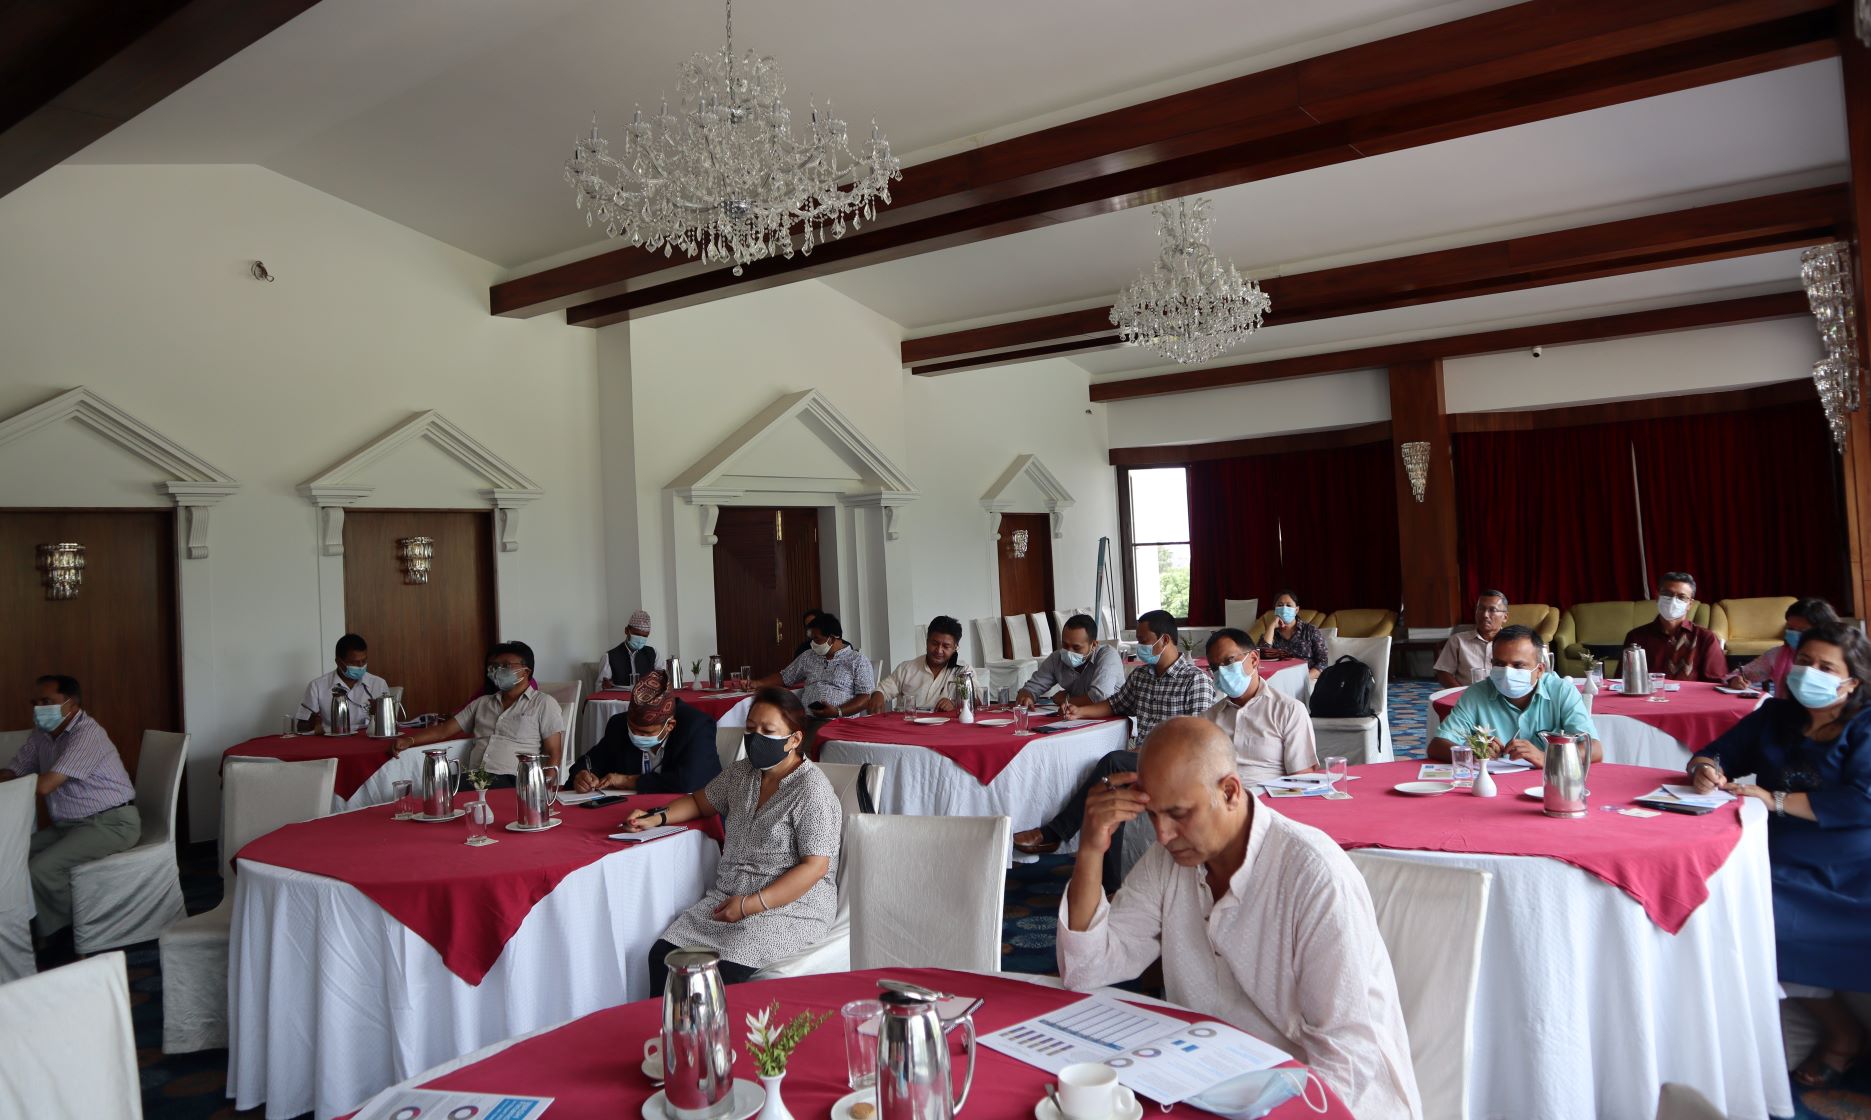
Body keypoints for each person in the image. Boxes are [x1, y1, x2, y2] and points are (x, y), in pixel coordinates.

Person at [1057, 717, 1423, 1120]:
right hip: (1210, 1085)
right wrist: (1091, 849)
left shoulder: (1313, 877)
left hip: (1324, 1102)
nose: (1162, 835)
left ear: (1230, 791)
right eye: (1152, 815)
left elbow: (1347, 1062)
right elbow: (1086, 969)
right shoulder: (1167, 863)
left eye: (1179, 813)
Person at [1688, 623, 1871, 1088]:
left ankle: (1847, 1035)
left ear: (1852, 681)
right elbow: (1715, 753)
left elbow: (1862, 800)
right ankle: (1839, 1029)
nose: (1810, 672)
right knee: (1728, 906)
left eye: (1826, 667)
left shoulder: (1865, 725)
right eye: (1805, 662)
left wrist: (1776, 799)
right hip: (1773, 851)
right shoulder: (1775, 716)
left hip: (1850, 859)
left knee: (1770, 917)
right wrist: (1706, 769)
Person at [632, 687, 841, 984]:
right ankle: (669, 1017)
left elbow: (815, 867)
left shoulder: (811, 790)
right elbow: (699, 802)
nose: (756, 738)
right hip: (728, 897)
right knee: (663, 957)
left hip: (790, 908)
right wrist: (656, 817)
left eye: (768, 731)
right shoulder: (742, 773)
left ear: (795, 739)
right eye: (751, 728)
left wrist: (749, 905)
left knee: (723, 973)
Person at [1011, 610, 1219, 859]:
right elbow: (1114, 705)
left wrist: (1150, 751)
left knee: (1114, 762)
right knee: (1112, 792)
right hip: (1143, 760)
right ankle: (1108, 878)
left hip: (1177, 763)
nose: (1139, 647)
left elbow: (1199, 740)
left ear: (1164, 640)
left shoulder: (1195, 680)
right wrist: (1080, 712)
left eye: (1143, 641)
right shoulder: (1141, 676)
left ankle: (1055, 833)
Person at [0, 676, 140, 949]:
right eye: (36, 702)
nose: (39, 709)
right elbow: (14, 770)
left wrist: (11, 782)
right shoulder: (41, 735)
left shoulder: (87, 734)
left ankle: (65, 940)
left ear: (72, 705)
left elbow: (45, 785)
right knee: (10, 856)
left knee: (41, 869)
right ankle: (26, 932)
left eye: (47, 702)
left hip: (112, 823)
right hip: (69, 826)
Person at [394, 640, 565, 786]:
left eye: (506, 666)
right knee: (436, 788)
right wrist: (410, 740)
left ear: (526, 671)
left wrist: (545, 789)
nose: (498, 670)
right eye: (495, 666)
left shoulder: (543, 703)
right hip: (474, 778)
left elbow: (553, 751)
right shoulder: (482, 703)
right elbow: (443, 731)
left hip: (515, 781)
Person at [1428, 625, 1600, 766]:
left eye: (1518, 666)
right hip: (1494, 785)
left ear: (1540, 670)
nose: (1507, 673)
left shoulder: (1561, 691)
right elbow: (1437, 745)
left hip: (1549, 781)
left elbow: (1595, 749)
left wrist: (1546, 757)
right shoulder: (1476, 694)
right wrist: (1474, 752)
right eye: (1499, 664)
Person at [573, 670, 721, 795]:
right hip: (632, 812)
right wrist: (583, 775)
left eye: (645, 733)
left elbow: (688, 782)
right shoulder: (619, 725)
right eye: (632, 728)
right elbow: (590, 762)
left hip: (690, 810)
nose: (636, 735)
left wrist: (628, 781)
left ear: (670, 725)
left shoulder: (696, 727)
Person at [1202, 628, 1317, 786]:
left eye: (1229, 661)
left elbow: (1303, 780)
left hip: (1269, 798)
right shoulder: (1208, 719)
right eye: (1215, 667)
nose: (1222, 672)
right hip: (1220, 798)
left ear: (1254, 659)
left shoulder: (1288, 711)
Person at [754, 612, 876, 720]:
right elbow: (785, 676)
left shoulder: (857, 660)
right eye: (811, 639)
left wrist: (837, 711)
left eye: (816, 639)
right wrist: (757, 683)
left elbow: (866, 697)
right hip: (807, 719)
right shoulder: (808, 656)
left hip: (839, 722)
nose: (812, 644)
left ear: (831, 639)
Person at [1622, 572, 1726, 683]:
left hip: (1690, 694)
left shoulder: (1705, 638)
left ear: (1690, 604)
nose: (1673, 601)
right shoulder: (1636, 637)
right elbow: (1622, 681)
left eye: (1682, 597)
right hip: (1648, 694)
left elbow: (1717, 682)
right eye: (1667, 594)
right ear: (1657, 597)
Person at [1726, 598, 1841, 694]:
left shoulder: (1840, 656)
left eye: (1802, 630)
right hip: (1785, 710)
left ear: (1823, 630)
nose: (1795, 634)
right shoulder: (1777, 655)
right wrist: (1735, 680)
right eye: (1791, 628)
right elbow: (1742, 674)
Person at [1016, 613, 1124, 709]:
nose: (1069, 652)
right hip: (1075, 716)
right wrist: (1026, 697)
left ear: (1094, 645)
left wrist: (1065, 700)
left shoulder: (1108, 655)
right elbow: (1031, 688)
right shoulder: (1057, 658)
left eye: (1076, 647)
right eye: (1065, 645)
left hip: (1113, 717)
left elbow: (1099, 697)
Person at [866, 615, 964, 713]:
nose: (939, 650)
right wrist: (878, 695)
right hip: (906, 721)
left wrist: (954, 704)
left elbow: (972, 702)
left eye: (946, 646)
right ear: (927, 641)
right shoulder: (907, 668)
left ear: (955, 647)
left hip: (943, 723)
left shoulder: (963, 671)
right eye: (934, 643)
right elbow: (882, 690)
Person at [295, 632, 388, 733]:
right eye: (354, 663)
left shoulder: (378, 684)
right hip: (332, 739)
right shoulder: (317, 686)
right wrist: (313, 723)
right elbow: (301, 726)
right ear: (339, 662)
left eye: (364, 661)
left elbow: (389, 723)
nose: (361, 666)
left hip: (367, 737)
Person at [1434, 591, 1510, 689]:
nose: (1485, 615)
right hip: (1467, 695)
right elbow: (1443, 671)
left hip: (1503, 694)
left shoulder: (1512, 643)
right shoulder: (1457, 640)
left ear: (1505, 617)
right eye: (1481, 609)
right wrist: (1461, 693)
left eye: (1492, 610)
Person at [1258, 590, 1328, 677]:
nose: (1284, 609)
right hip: (1279, 679)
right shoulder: (1271, 633)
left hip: (1307, 679)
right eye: (1280, 605)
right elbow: (1261, 659)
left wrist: (1305, 679)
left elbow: (1323, 662)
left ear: (1296, 610)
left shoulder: (1310, 631)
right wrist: (1271, 626)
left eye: (1289, 605)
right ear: (1275, 610)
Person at [598, 609, 657, 691]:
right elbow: (599, 688)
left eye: (644, 636)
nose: (640, 639)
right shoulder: (609, 657)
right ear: (626, 631)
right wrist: (604, 687)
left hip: (647, 697)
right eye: (637, 634)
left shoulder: (653, 653)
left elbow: (663, 681)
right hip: (619, 698)